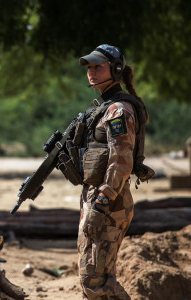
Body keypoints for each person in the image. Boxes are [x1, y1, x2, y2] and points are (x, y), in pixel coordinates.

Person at [75, 44, 151, 299]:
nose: (91, 72)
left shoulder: (118, 110)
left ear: (116, 70)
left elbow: (121, 161)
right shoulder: (105, 107)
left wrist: (101, 202)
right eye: (90, 67)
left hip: (109, 203)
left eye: (98, 66)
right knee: (92, 279)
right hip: (98, 198)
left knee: (95, 281)